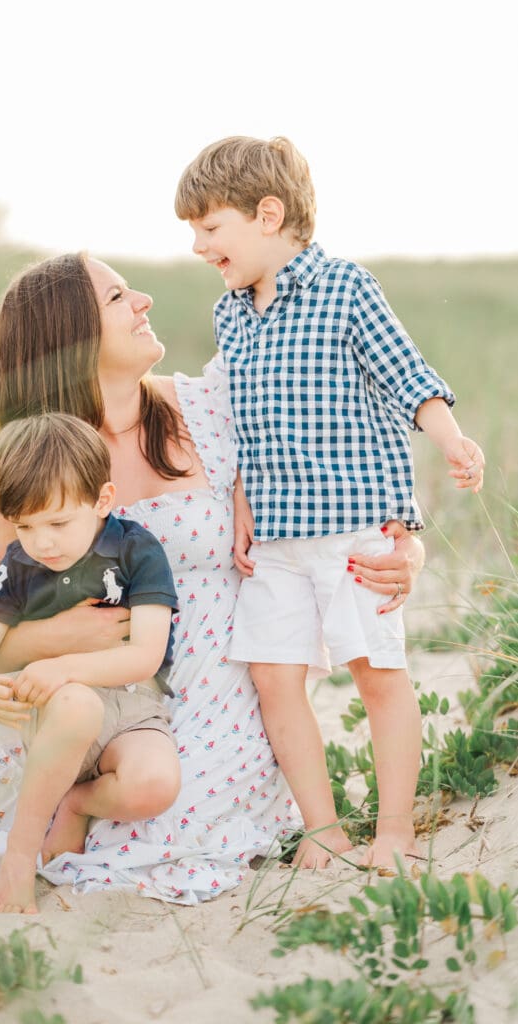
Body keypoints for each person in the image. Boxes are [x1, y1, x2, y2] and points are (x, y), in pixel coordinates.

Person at [0, 252, 423, 903]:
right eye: (118, 298)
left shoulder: (214, 407)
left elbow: (344, 454)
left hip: (221, 696)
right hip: (91, 692)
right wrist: (53, 638)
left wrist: (404, 545)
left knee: (177, 803)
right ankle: (66, 802)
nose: (144, 301)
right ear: (70, 336)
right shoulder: (33, 463)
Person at [175, 134, 485, 870]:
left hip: (353, 526)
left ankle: (393, 833)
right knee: (274, 679)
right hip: (276, 539)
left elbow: (408, 375)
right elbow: (237, 421)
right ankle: (321, 830)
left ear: (268, 214)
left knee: (376, 676)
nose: (196, 246)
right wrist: (242, 500)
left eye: (208, 228)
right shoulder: (231, 315)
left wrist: (451, 440)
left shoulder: (346, 287)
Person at [0, 412, 180, 912]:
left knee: (155, 785)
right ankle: (19, 857)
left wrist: (64, 665)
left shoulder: (136, 549)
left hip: (134, 708)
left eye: (57, 522)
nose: (42, 541)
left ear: (102, 500)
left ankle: (78, 802)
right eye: (25, 525)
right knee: (77, 707)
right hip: (59, 710)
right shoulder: (20, 564)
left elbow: (144, 657)